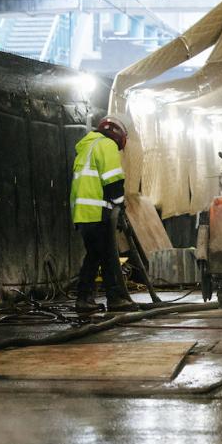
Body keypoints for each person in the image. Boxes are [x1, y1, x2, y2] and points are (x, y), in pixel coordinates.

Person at [70, 114, 139, 313]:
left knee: (94, 255)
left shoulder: (86, 148)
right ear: (118, 136)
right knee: (108, 256)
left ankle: (84, 299)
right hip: (97, 212)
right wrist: (119, 205)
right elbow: (112, 179)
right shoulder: (106, 145)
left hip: (83, 214)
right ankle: (115, 298)